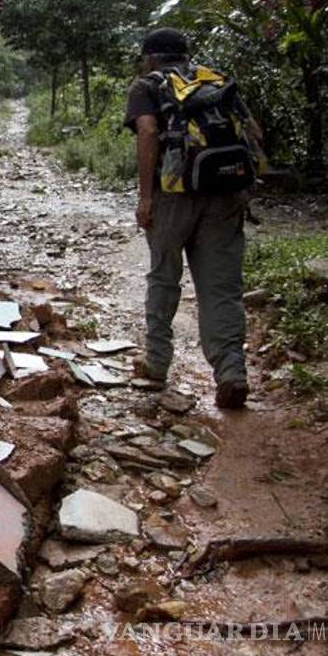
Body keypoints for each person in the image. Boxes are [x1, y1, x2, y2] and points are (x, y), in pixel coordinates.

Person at [124, 28, 262, 409]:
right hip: (225, 195)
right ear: (187, 55)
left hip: (172, 196)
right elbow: (254, 132)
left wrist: (146, 196)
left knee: (164, 277)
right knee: (222, 287)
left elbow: (148, 131)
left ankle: (156, 363)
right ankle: (231, 371)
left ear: (151, 57)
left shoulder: (147, 86)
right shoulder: (213, 81)